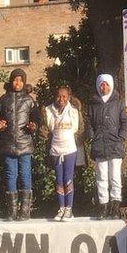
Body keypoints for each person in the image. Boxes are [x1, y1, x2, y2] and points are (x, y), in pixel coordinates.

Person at [0, 68, 39, 221]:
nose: (17, 83)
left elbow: (36, 119)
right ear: (10, 81)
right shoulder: (3, 99)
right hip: (8, 144)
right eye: (15, 79)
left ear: (24, 82)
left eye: (20, 80)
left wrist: (34, 125)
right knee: (10, 175)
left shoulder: (29, 100)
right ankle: (12, 210)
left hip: (25, 144)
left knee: (25, 175)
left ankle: (25, 210)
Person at [85, 73, 127, 219]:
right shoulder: (93, 104)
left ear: (111, 86)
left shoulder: (118, 104)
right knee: (101, 177)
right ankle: (103, 206)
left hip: (115, 145)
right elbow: (89, 123)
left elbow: (125, 122)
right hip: (99, 145)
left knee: (115, 177)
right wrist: (91, 137)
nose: (104, 87)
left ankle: (115, 207)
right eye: (101, 84)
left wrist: (121, 137)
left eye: (106, 84)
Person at [42, 85, 82, 222]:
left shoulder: (74, 111)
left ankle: (69, 209)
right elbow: (48, 128)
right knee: (58, 179)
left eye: (64, 96)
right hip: (55, 150)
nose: (61, 99)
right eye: (59, 96)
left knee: (68, 178)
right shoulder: (48, 110)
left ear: (69, 98)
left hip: (70, 149)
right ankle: (61, 207)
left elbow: (77, 128)